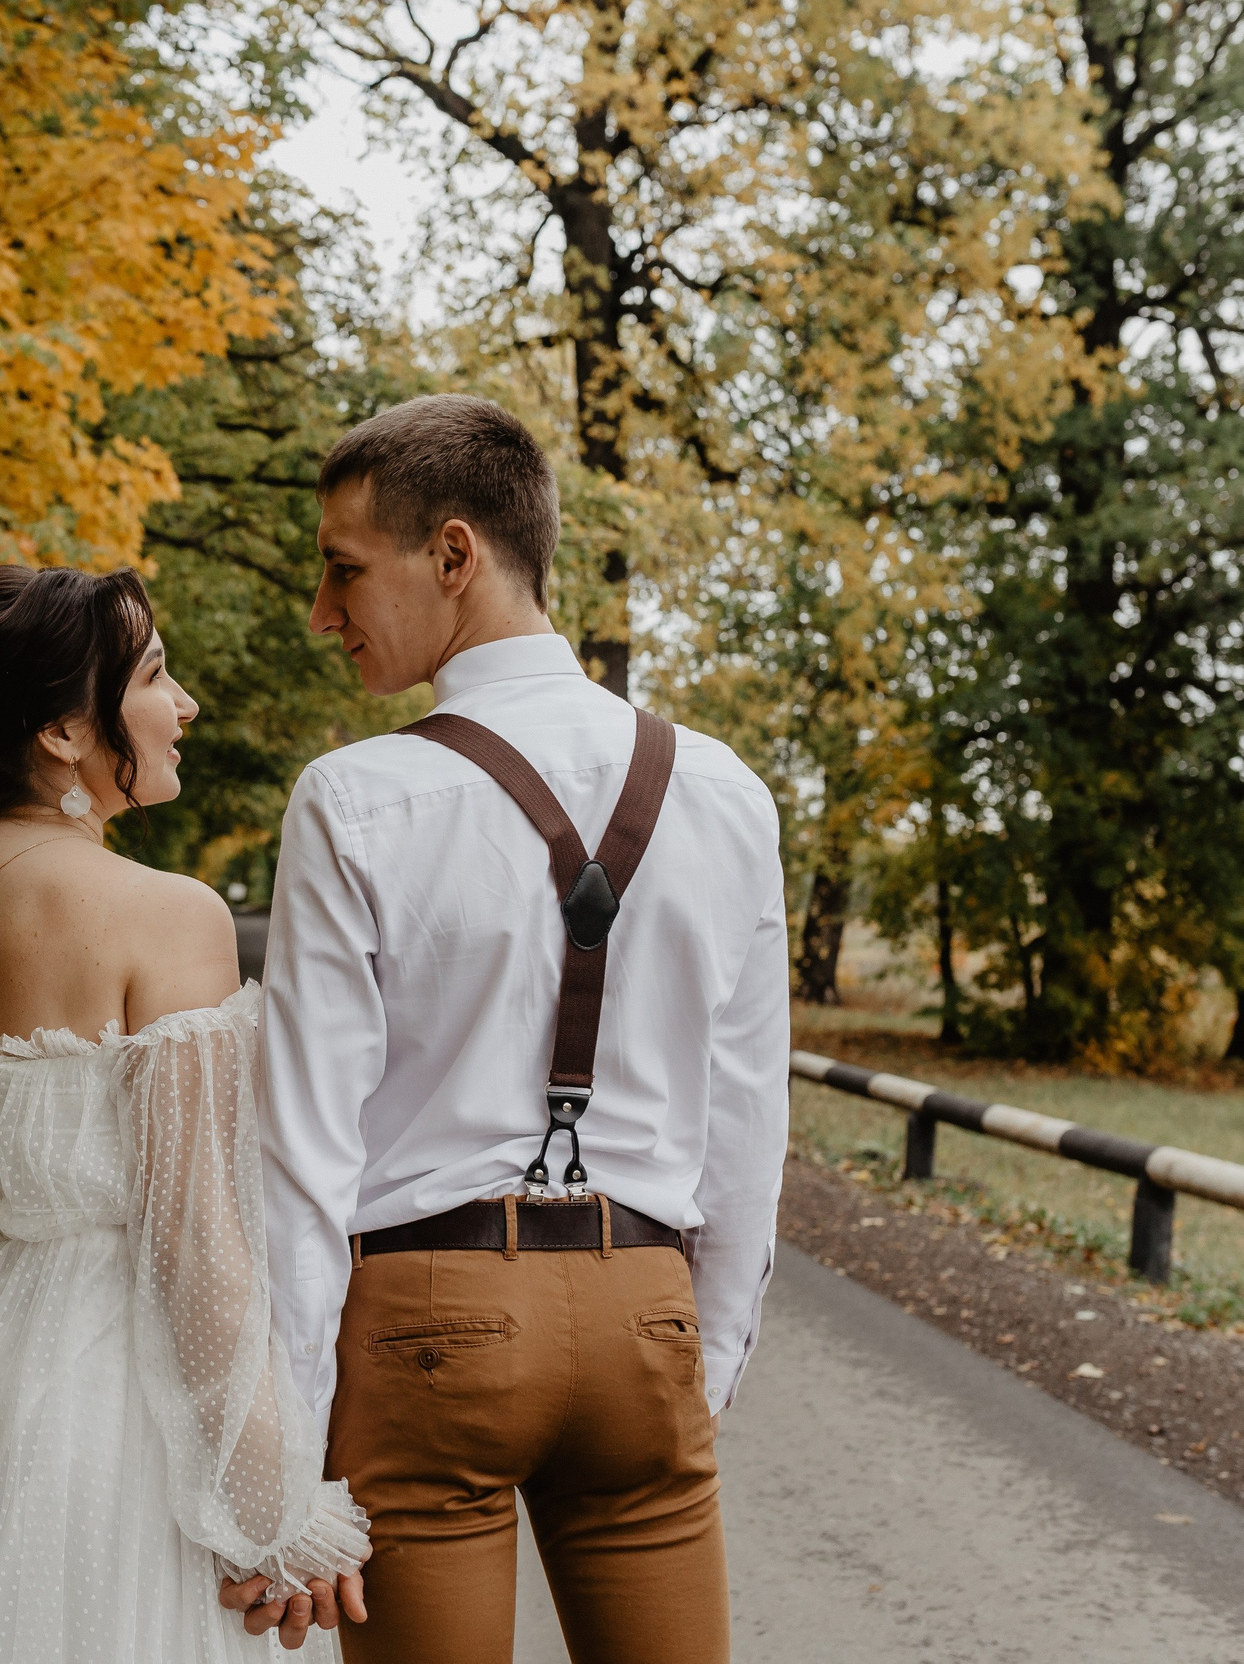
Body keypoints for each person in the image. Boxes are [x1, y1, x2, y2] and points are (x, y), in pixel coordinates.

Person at [248, 395, 789, 1663]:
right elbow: (747, 1123)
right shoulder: (725, 791)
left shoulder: (352, 799)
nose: (323, 614)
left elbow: (305, 1157)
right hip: (646, 1313)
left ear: (452, 555)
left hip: (425, 1319)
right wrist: (693, 1369)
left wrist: (281, 1453)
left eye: (341, 570)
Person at [0, 565, 371, 1664]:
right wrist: (271, 1506)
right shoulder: (166, 917)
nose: (183, 704)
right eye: (153, 674)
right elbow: (197, 1244)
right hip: (105, 1432)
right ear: (65, 729)